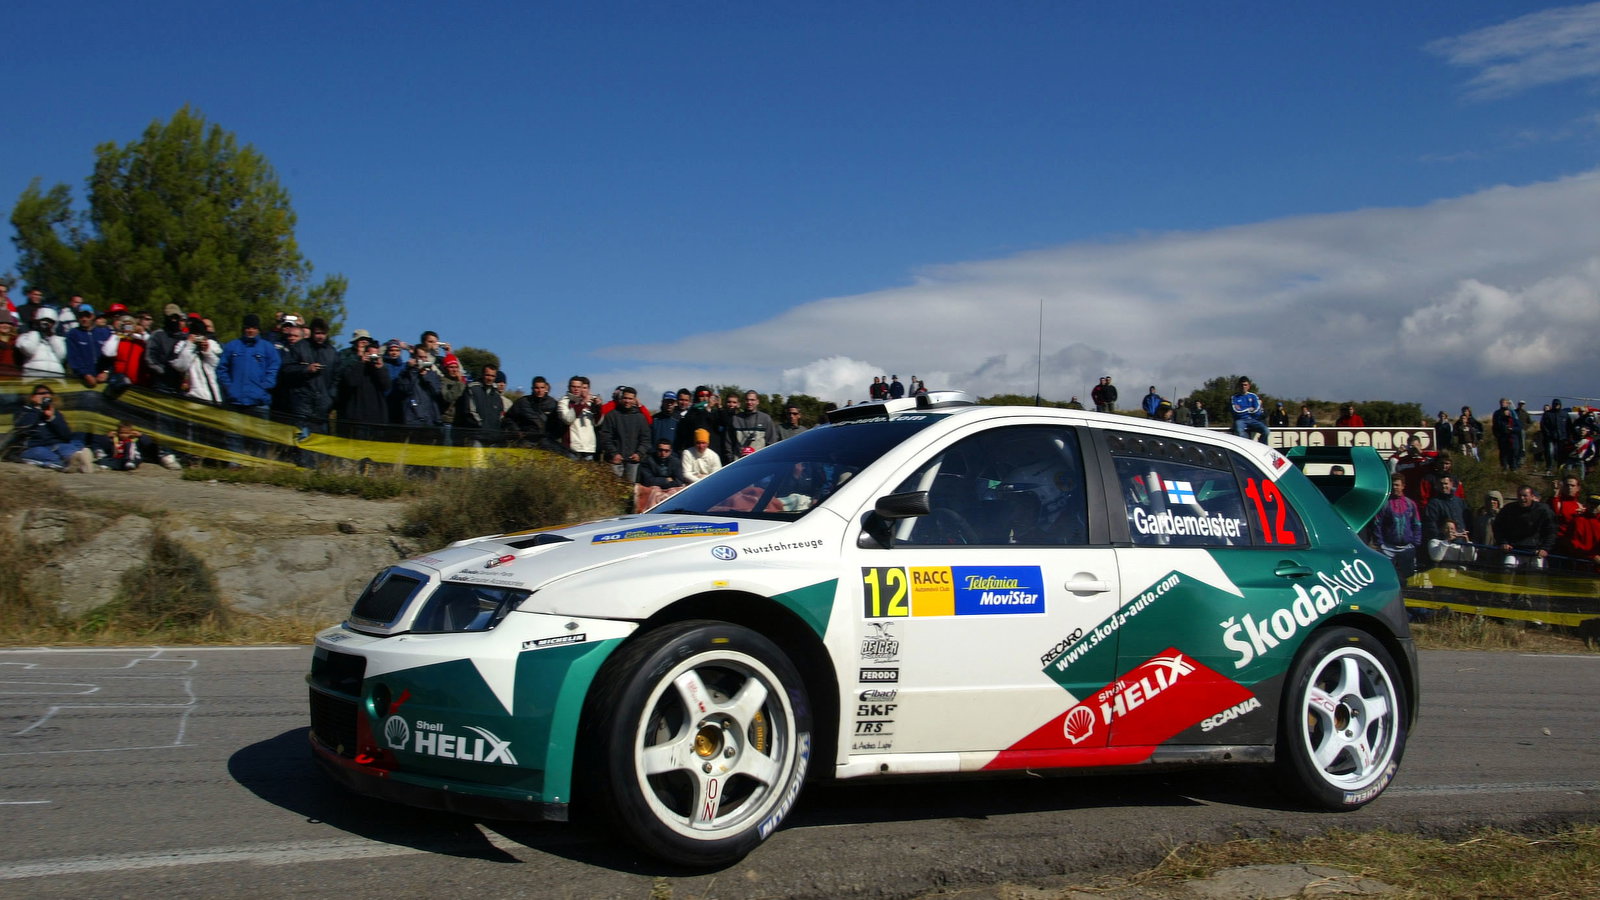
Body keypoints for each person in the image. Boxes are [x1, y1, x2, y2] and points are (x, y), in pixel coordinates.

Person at [10, 384, 93, 472]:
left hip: (57, 444)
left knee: (69, 450)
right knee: (48, 456)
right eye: (41, 393)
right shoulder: (24, 411)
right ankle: (69, 465)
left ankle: (79, 459)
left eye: (48, 394)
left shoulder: (55, 413)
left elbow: (66, 435)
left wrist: (52, 418)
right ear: (33, 397)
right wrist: (38, 410)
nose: (45, 396)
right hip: (34, 446)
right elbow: (24, 426)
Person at [216, 314, 281, 417]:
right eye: (248, 328)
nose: (251, 330)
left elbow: (274, 367)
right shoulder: (232, 346)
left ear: (258, 329)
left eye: (254, 328)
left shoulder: (267, 347)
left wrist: (265, 385)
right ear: (243, 329)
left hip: (259, 403)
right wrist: (229, 387)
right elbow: (222, 369)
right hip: (234, 402)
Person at [1371, 474, 1421, 582]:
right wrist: (1380, 543)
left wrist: (1416, 542)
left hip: (1407, 547)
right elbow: (1377, 524)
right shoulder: (1384, 504)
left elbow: (1417, 524)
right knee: (1386, 577)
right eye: (1393, 485)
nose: (1395, 487)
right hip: (1388, 548)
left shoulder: (1410, 504)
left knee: (1408, 577)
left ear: (1403, 486)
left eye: (1397, 485)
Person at [1494, 485, 1556, 569]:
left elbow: (1551, 531)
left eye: (1525, 496)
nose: (1522, 498)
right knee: (1507, 568)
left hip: (1535, 552)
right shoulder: (1508, 509)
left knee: (1536, 574)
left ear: (1532, 496)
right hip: (1513, 550)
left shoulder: (1543, 510)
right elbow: (1498, 526)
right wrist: (1503, 542)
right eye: (1519, 495)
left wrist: (1545, 548)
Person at [597, 386, 650, 481]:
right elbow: (605, 437)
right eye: (625, 398)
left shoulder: (640, 418)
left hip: (633, 462)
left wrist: (639, 453)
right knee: (613, 487)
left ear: (635, 400)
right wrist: (614, 454)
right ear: (621, 398)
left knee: (630, 488)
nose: (627, 401)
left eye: (630, 399)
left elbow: (646, 439)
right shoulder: (611, 415)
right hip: (615, 461)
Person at [1422, 474, 1472, 564]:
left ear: (1451, 484)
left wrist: (1466, 536)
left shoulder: (1460, 502)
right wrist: (1445, 537)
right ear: (1437, 486)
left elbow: (1468, 521)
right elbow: (1430, 526)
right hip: (1443, 545)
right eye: (1441, 484)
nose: (1443, 486)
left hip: (1460, 545)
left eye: (1446, 483)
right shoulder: (1433, 504)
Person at [171, 317, 223, 403]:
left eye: (201, 335)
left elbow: (217, 365)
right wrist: (190, 345)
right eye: (196, 334)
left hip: (212, 397)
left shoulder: (211, 344)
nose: (198, 337)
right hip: (192, 397)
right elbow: (180, 366)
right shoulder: (182, 345)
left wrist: (207, 351)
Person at [504, 376, 559, 449]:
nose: (539, 390)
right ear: (532, 388)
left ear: (546, 388)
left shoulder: (553, 404)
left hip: (546, 443)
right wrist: (516, 432)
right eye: (537, 388)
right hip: (526, 442)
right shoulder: (522, 402)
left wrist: (553, 436)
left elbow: (558, 424)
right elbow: (508, 418)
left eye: (542, 387)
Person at [558, 375, 601, 460]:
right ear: (569, 387)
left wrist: (598, 407)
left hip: (588, 448)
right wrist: (582, 404)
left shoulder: (589, 402)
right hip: (572, 448)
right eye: (573, 386)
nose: (576, 389)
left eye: (579, 387)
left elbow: (597, 423)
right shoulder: (564, 402)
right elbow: (568, 420)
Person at [16, 309, 68, 379]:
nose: (46, 323)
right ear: (37, 321)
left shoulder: (59, 339)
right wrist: (36, 332)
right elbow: (28, 350)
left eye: (50, 321)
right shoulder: (26, 336)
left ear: (54, 324)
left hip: (56, 379)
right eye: (43, 320)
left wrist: (52, 337)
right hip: (33, 378)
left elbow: (62, 356)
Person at [728, 390, 779, 457]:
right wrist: (730, 458)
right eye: (747, 400)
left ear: (757, 401)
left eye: (752, 400)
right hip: (739, 460)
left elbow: (772, 442)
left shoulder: (765, 418)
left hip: (759, 460)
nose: (749, 402)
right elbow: (728, 442)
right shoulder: (735, 419)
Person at [1555, 494, 1600, 570]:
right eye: (1591, 503)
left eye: (1596, 504)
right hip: (1581, 564)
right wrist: (1592, 556)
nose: (1593, 506)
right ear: (1586, 504)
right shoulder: (1578, 520)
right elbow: (1573, 543)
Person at [1229, 377, 1268, 443]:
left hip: (1253, 420)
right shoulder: (1234, 397)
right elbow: (1236, 412)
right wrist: (1250, 409)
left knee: (1266, 431)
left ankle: (1261, 445)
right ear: (1239, 386)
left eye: (1245, 385)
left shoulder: (1253, 396)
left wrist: (1243, 409)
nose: (1243, 387)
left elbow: (1257, 411)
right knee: (1239, 432)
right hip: (1241, 420)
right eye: (1242, 385)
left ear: (1249, 386)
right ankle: (1247, 444)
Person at [1491, 397, 1523, 471]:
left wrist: (1513, 429)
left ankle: (1513, 467)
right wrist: (1497, 435)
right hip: (1502, 436)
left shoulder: (1512, 412)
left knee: (1514, 451)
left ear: (1508, 403)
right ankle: (1504, 467)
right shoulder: (1497, 413)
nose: (1503, 404)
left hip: (1512, 436)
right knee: (1503, 452)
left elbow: (1518, 425)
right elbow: (1495, 425)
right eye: (1502, 402)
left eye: (1505, 402)